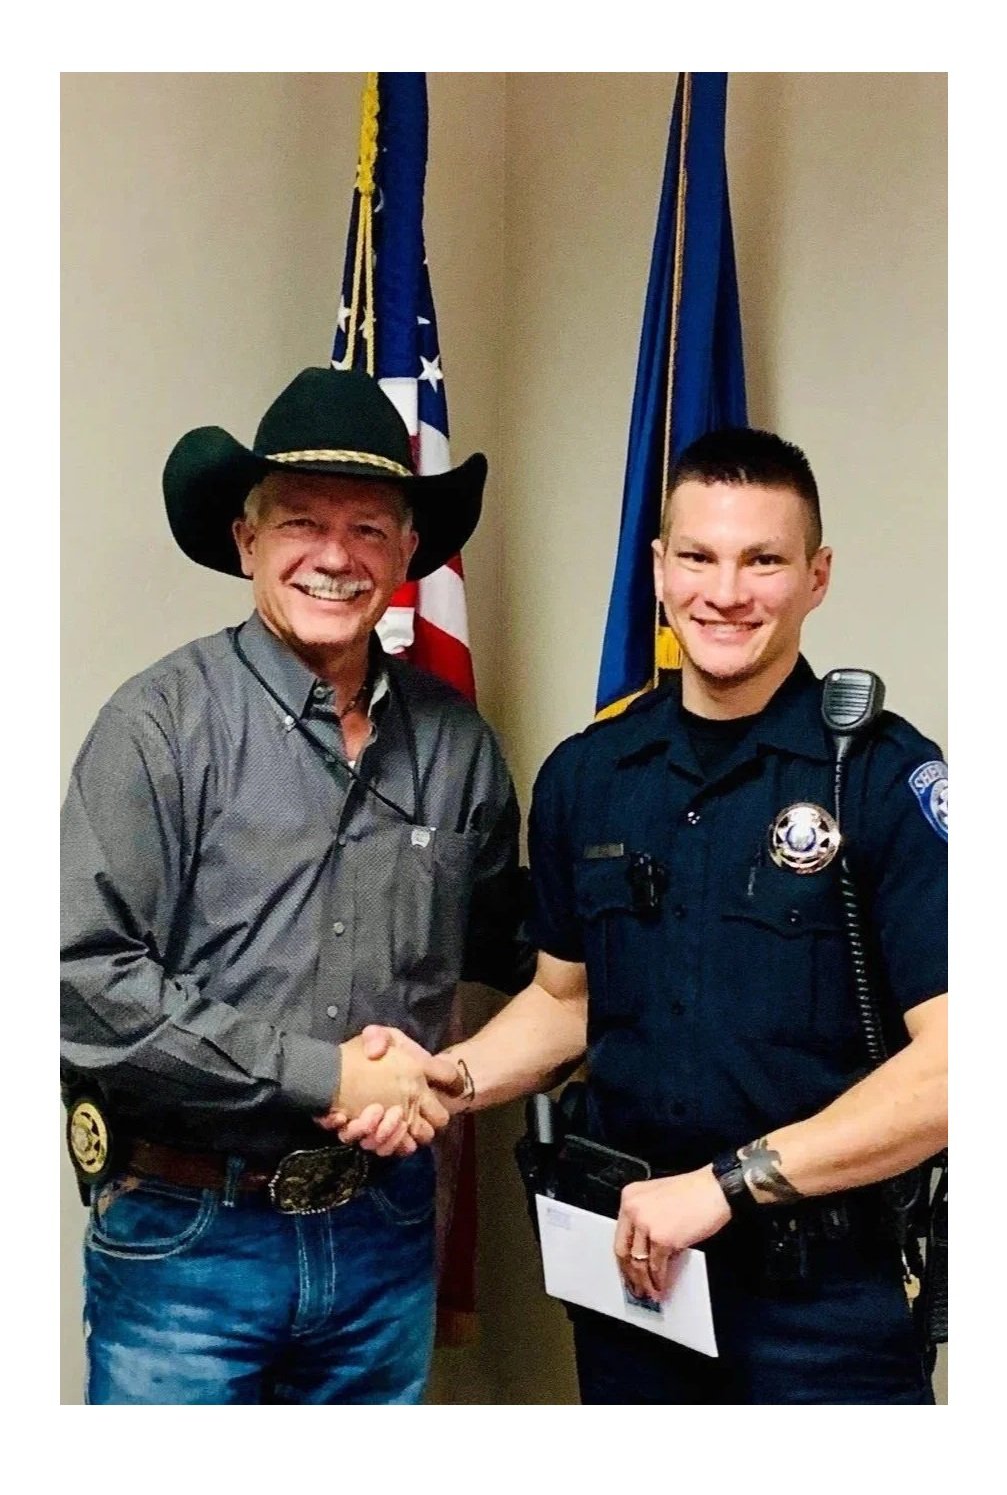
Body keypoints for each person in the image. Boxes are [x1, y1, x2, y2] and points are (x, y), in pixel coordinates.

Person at [341, 426, 947, 1405]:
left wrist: (723, 1184)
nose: (725, 590)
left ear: (815, 576)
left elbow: (955, 1067)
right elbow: (564, 1000)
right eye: (698, 556)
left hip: (823, 1310)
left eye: (763, 560)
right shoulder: (590, 775)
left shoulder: (876, 775)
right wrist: (442, 1079)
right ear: (659, 571)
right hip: (635, 1286)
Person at [60, 366, 531, 1405]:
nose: (334, 556)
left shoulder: (455, 745)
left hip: (384, 1239)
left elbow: (524, 953)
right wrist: (323, 1075)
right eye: (300, 524)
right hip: (187, 1244)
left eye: (369, 529)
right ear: (246, 540)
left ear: (410, 553)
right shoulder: (157, 727)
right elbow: (78, 981)